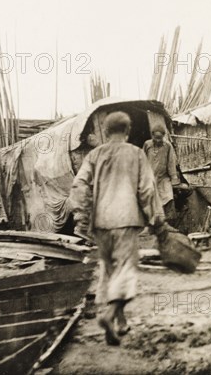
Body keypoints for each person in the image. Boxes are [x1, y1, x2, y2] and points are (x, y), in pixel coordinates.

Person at [70, 112, 164, 345]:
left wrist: (83, 212)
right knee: (125, 269)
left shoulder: (95, 154)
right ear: (128, 130)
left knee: (110, 269)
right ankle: (110, 314)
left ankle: (120, 322)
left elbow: (79, 184)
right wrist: (156, 218)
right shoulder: (136, 154)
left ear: (107, 131)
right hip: (126, 219)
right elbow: (147, 190)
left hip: (101, 222)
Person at [143, 128, 182, 224]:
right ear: (152, 136)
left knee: (168, 199)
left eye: (160, 138)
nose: (158, 140)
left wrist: (173, 177)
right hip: (150, 178)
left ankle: (169, 226)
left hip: (164, 178)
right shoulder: (147, 145)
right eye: (156, 138)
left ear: (163, 136)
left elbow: (171, 162)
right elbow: (142, 160)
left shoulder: (167, 146)